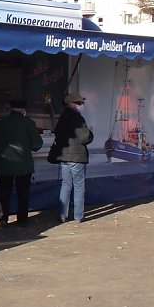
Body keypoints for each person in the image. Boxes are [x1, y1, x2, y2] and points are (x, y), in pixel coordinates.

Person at [0, 100, 43, 228]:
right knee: (23, 192)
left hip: (5, 164)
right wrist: (27, 147)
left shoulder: (1, 123)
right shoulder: (29, 123)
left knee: (4, 192)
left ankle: (3, 219)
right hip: (24, 165)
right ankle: (22, 219)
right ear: (23, 110)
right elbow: (37, 144)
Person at [52, 92, 94, 223]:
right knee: (79, 186)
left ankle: (62, 215)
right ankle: (78, 216)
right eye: (80, 103)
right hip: (77, 157)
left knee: (65, 185)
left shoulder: (62, 118)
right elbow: (85, 138)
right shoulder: (77, 118)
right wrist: (91, 132)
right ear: (73, 104)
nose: (82, 105)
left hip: (64, 156)